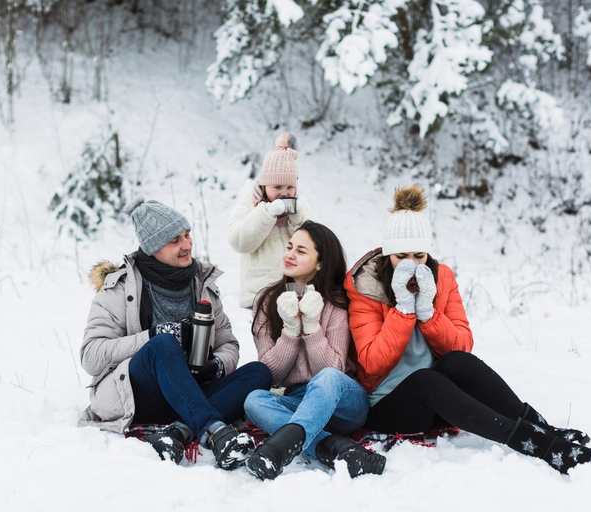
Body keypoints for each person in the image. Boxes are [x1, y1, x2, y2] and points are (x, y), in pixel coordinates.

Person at [344, 185, 591, 475]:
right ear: (388, 253)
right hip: (390, 403)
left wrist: (427, 312)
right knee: (426, 379)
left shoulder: (442, 278)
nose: (411, 264)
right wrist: (403, 309)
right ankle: (534, 444)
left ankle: (542, 428)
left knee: (456, 362)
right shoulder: (366, 287)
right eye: (401, 255)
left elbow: (462, 348)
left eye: (419, 254)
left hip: (440, 401)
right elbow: (372, 362)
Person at [78, 199, 272, 469]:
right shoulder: (119, 289)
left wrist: (216, 367)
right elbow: (91, 357)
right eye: (174, 240)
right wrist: (152, 336)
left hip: (193, 394)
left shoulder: (202, 283)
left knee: (260, 372)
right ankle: (216, 432)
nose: (187, 245)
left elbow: (228, 344)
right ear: (152, 247)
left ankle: (179, 431)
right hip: (141, 398)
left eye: (187, 234)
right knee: (163, 344)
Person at [243, 221, 386, 480]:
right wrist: (289, 330)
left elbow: (334, 368)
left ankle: (278, 449)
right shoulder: (266, 300)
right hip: (298, 399)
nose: (289, 254)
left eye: (301, 250)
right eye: (289, 247)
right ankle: (338, 449)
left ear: (320, 262)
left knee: (327, 377)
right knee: (254, 400)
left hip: (343, 399)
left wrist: (311, 326)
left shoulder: (337, 302)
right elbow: (271, 373)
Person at [227, 132, 318, 309]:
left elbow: (320, 243)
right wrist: (266, 215)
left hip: (297, 292)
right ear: (264, 184)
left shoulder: (300, 205)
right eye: (277, 187)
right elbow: (237, 241)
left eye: (290, 187)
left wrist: (298, 221)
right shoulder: (250, 201)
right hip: (260, 292)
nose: (284, 193)